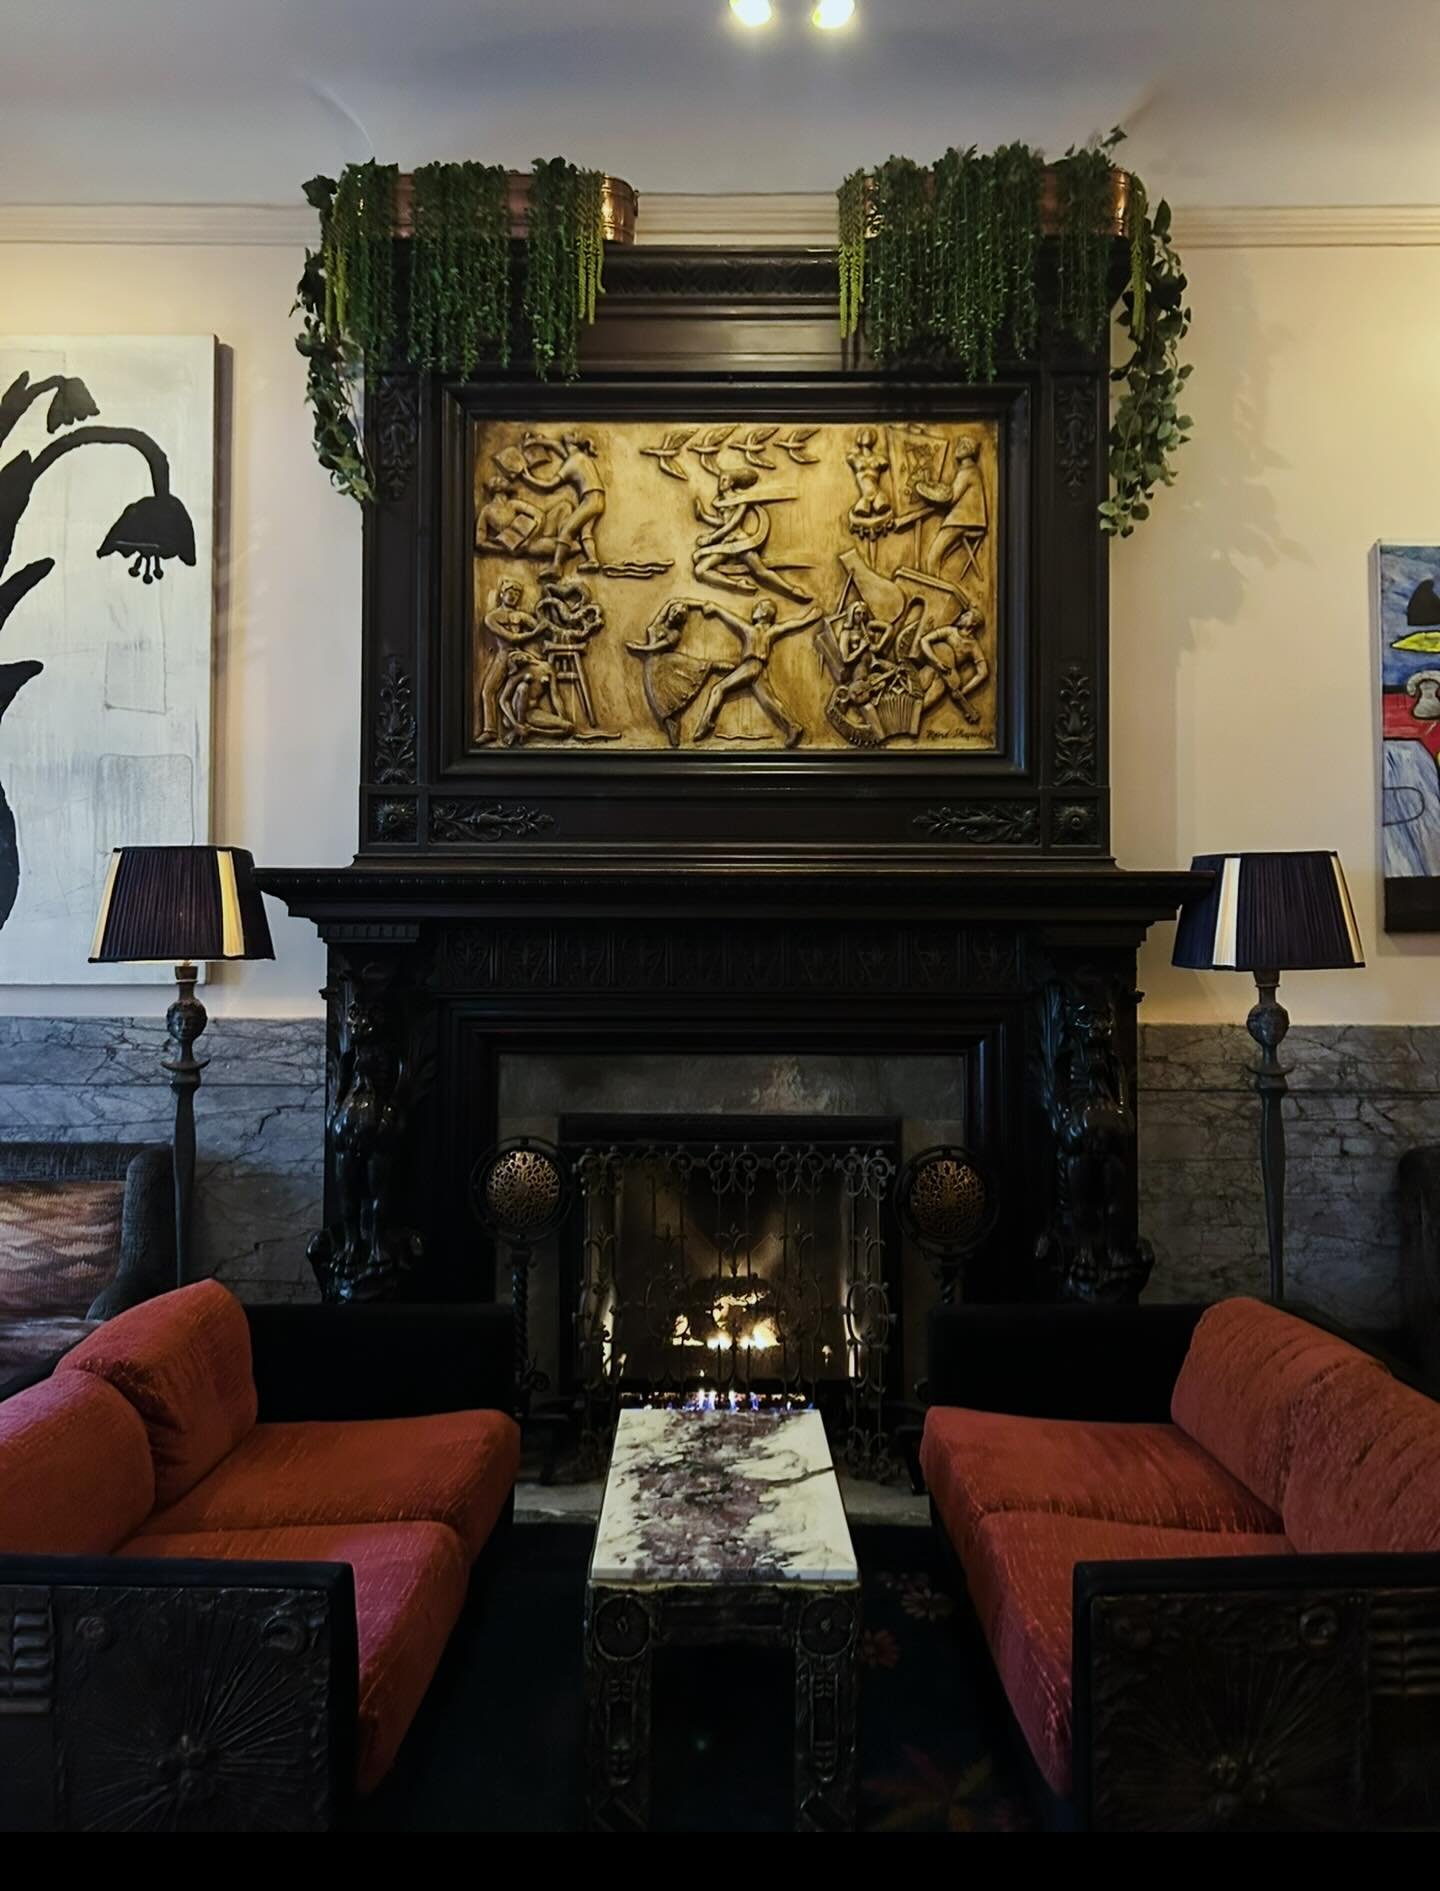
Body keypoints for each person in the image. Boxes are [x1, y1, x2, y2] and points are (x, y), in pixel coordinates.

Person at [693, 598, 821, 748]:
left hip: (750, 666)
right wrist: (810, 617)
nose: (754, 609)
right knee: (770, 702)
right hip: (759, 670)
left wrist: (715, 607)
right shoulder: (772, 631)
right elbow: (792, 624)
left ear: (764, 612)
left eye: (758, 607)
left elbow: (730, 618)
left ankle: (705, 724)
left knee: (718, 689)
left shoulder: (750, 630)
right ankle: (792, 726)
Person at [692, 468, 812, 603]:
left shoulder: (742, 500)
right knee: (700, 570)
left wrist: (711, 538)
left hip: (740, 542)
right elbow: (722, 522)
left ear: (732, 483)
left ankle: (792, 590)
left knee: (761, 572)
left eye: (724, 479)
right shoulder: (720, 501)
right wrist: (703, 517)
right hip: (726, 543)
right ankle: (737, 585)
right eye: (720, 479)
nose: (721, 482)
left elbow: (732, 523)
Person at [625, 598, 719, 748]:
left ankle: (714, 666)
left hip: (664, 663)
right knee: (659, 701)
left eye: (679, 615)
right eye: (674, 610)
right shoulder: (658, 624)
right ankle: (672, 729)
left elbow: (656, 648)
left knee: (690, 672)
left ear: (680, 621)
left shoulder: (675, 634)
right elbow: (673, 600)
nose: (675, 614)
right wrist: (700, 605)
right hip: (652, 665)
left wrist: (638, 648)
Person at [514, 430, 607, 575]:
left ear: (571, 442)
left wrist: (528, 477)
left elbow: (550, 485)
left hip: (590, 499)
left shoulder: (573, 462)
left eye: (572, 434)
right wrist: (537, 441)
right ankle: (593, 560)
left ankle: (557, 567)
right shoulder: (578, 457)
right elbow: (556, 445)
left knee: (566, 531)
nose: (569, 432)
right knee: (585, 531)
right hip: (597, 499)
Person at [921, 436, 987, 577]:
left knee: (933, 556)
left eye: (961, 445)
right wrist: (934, 486)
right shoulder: (969, 470)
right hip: (964, 520)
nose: (957, 448)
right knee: (938, 556)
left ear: (967, 450)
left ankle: (933, 588)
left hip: (963, 521)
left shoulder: (968, 472)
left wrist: (927, 491)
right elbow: (951, 490)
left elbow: (950, 497)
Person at [918, 605, 989, 723]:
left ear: (974, 623)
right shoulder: (950, 631)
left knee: (923, 707)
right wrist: (936, 661)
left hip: (946, 680)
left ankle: (904, 727)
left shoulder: (973, 646)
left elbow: (983, 672)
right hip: (931, 669)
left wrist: (964, 690)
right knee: (915, 693)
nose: (962, 616)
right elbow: (924, 640)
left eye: (967, 615)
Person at [846, 426, 894, 541]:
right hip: (865, 499)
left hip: (879, 496)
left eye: (869, 434)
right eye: (864, 434)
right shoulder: (853, 458)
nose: (866, 437)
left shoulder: (881, 459)